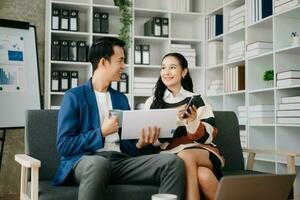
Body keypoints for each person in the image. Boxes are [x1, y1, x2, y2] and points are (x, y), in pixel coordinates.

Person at [52, 37, 186, 200]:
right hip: (87, 162)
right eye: (120, 60)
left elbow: (129, 145)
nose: (124, 66)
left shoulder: (121, 99)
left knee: (173, 163)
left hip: (120, 162)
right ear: (103, 62)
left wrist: (140, 144)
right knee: (98, 164)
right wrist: (101, 132)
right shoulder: (74, 96)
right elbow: (64, 145)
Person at [144, 52, 225, 200]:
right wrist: (173, 119)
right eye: (163, 68)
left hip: (202, 152)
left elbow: (209, 135)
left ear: (184, 72)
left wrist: (192, 122)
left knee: (186, 155)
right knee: (203, 175)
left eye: (172, 67)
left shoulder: (196, 99)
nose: (166, 72)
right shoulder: (152, 103)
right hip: (169, 156)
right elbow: (150, 140)